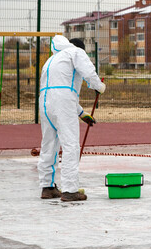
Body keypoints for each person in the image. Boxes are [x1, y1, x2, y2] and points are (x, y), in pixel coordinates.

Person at [37, 36, 105, 202]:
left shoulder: (51, 60)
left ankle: (48, 187)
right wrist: (99, 87)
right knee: (71, 145)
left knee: (49, 144)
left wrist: (82, 114)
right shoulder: (75, 52)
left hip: (45, 103)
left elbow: (60, 90)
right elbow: (88, 72)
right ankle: (70, 190)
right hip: (62, 102)